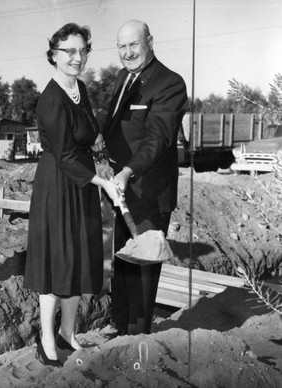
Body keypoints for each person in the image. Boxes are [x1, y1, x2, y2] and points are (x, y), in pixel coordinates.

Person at [24, 23, 121, 367]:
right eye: (69, 51)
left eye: (82, 51)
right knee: (57, 259)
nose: (77, 58)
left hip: (82, 183)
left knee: (78, 256)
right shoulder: (51, 99)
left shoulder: (80, 88)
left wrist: (103, 164)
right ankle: (46, 338)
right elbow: (64, 155)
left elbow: (90, 133)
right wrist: (103, 182)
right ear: (53, 55)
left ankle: (67, 333)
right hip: (58, 184)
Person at [101, 20, 188, 335]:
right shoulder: (124, 77)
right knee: (122, 265)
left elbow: (157, 139)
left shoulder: (170, 83)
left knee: (143, 270)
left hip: (148, 192)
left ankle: (137, 336)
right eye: (121, 47)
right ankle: (119, 328)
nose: (127, 53)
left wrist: (127, 171)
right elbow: (113, 123)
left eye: (133, 45)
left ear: (149, 41)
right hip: (120, 189)